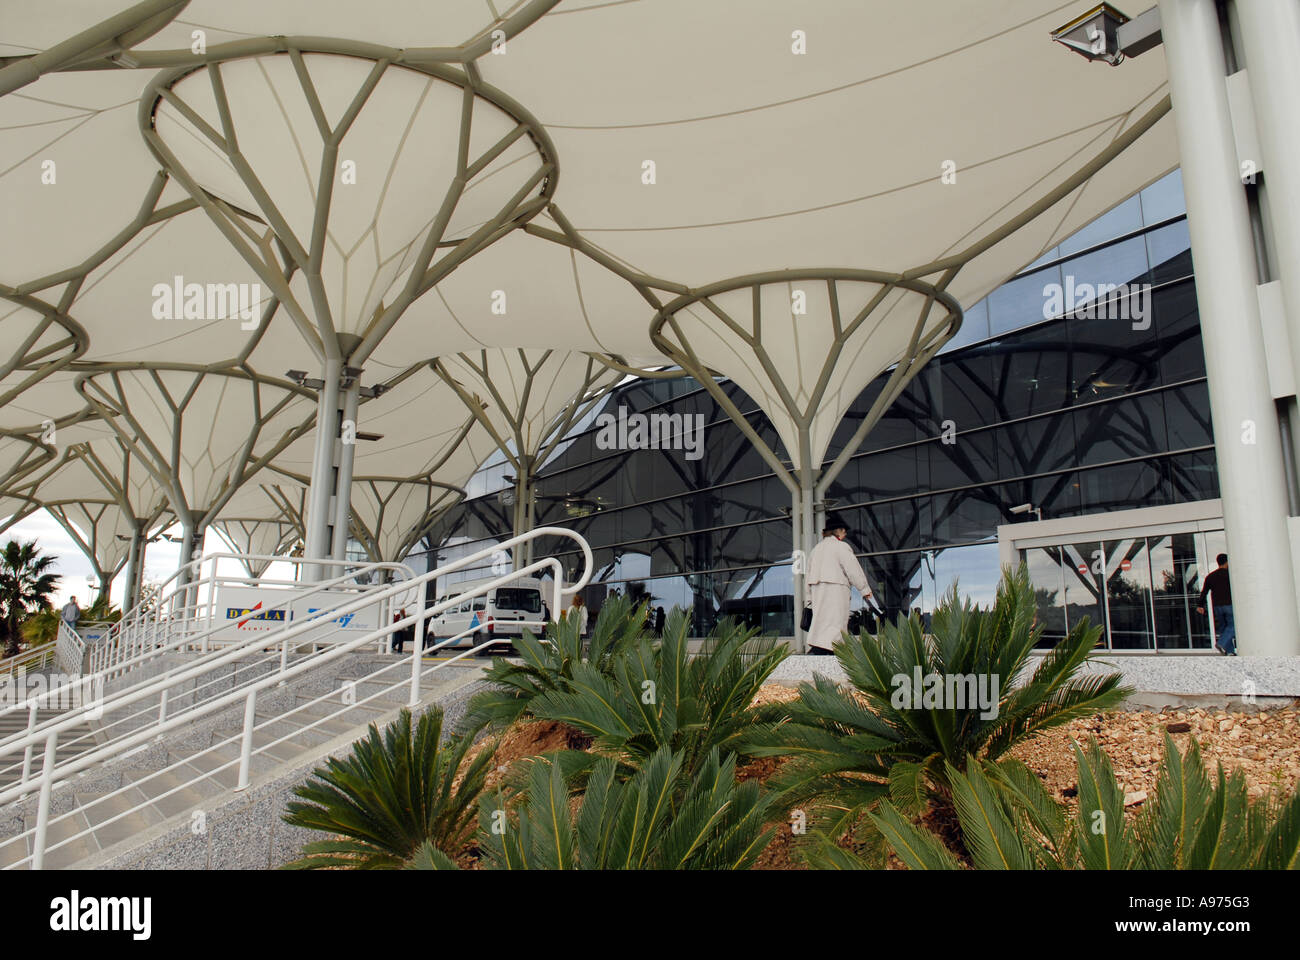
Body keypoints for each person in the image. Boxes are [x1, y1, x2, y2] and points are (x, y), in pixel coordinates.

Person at [805, 514, 875, 655]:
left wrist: (808, 598)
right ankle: (833, 649)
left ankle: (819, 648)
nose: (845, 534)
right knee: (836, 620)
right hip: (836, 588)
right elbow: (853, 569)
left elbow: (808, 575)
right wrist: (864, 588)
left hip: (817, 589)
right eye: (843, 531)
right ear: (838, 531)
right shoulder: (841, 546)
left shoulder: (815, 550)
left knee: (821, 620)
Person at [1197, 553, 1235, 655]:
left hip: (1217, 606)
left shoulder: (1211, 576)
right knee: (1233, 626)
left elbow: (1204, 591)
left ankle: (1230, 652)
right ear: (1226, 562)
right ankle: (1221, 643)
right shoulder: (1230, 575)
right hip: (1229, 604)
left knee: (1223, 628)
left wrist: (1200, 605)